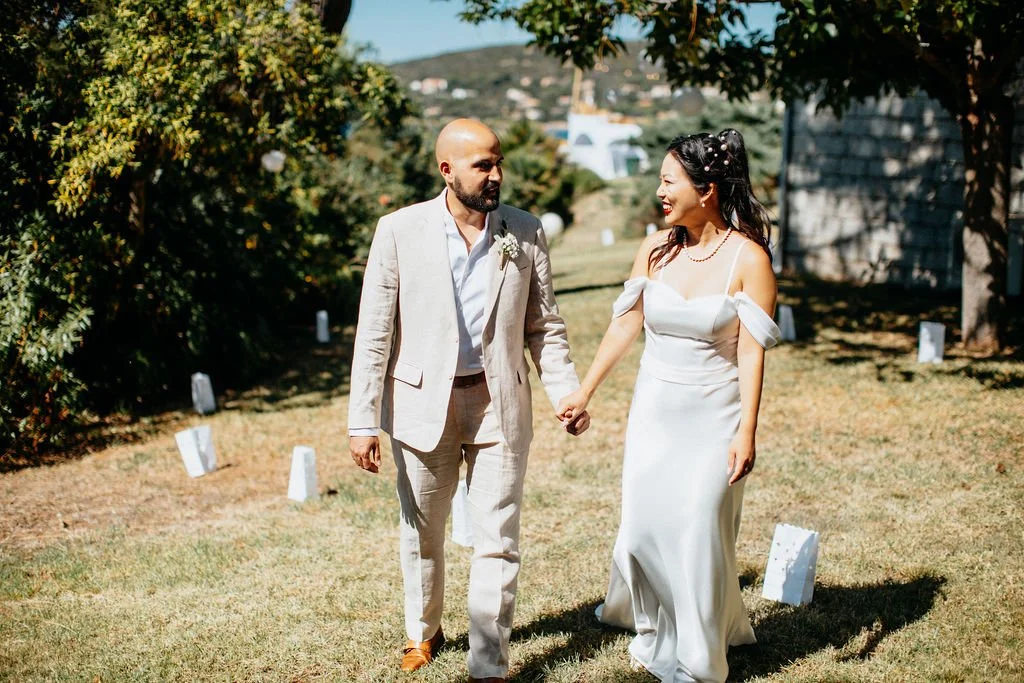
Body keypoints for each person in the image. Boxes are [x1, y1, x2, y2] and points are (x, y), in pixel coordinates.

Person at [347, 118, 590, 683]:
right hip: (419, 407)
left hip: (498, 402)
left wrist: (565, 391)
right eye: (483, 165)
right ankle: (423, 630)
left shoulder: (525, 232)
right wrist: (362, 420)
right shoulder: (398, 231)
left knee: (498, 537)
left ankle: (488, 662)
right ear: (447, 170)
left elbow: (544, 325)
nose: (496, 174)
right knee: (423, 533)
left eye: (498, 162)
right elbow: (374, 332)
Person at [557, 129, 781, 682]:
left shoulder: (748, 260)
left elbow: (751, 355)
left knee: (700, 529)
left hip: (714, 416)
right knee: (642, 530)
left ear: (706, 189)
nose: (659, 190)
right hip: (654, 412)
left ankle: (700, 658)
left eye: (668, 180)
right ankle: (653, 620)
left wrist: (746, 433)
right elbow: (625, 323)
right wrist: (585, 391)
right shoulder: (656, 248)